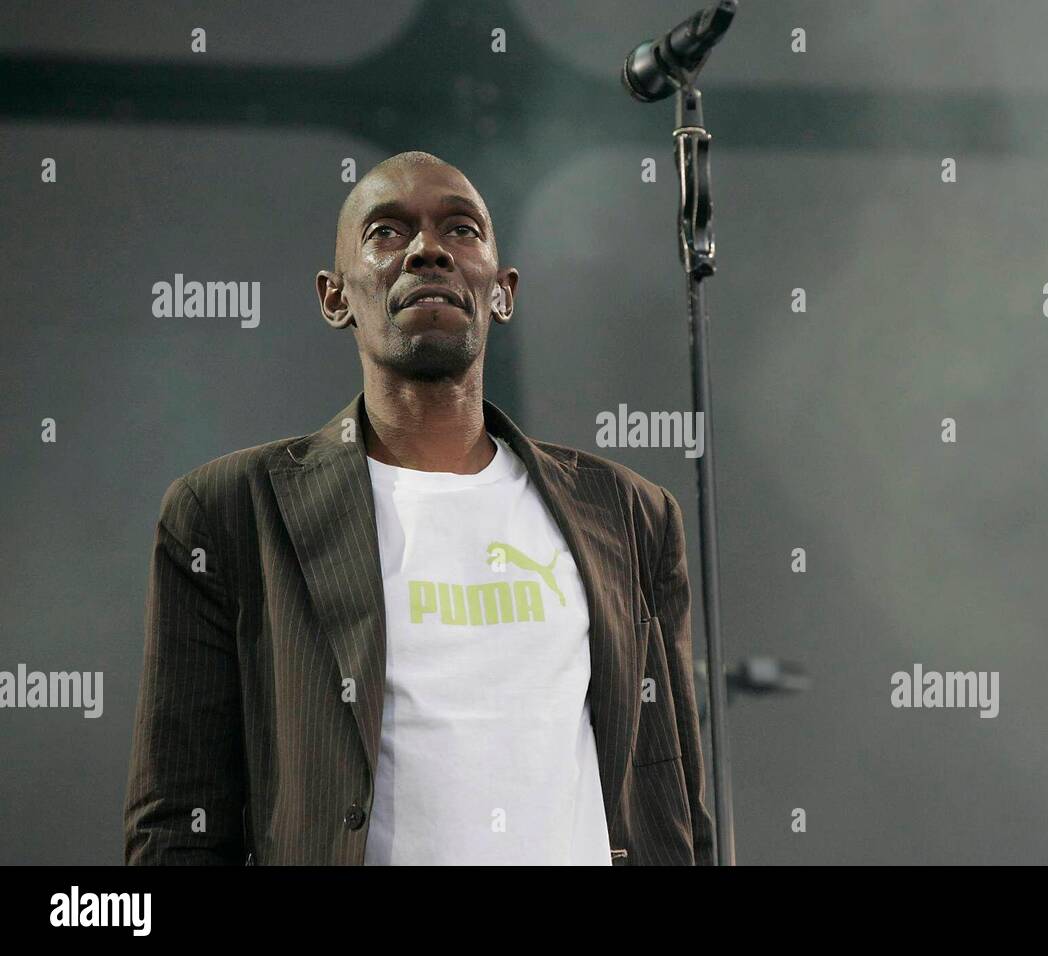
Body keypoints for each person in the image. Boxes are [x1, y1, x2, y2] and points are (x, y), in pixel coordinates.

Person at [124, 151, 713, 866]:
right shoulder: (227, 513)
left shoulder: (630, 515)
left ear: (502, 290)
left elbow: (670, 801)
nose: (429, 250)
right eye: (387, 232)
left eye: (461, 230)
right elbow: (179, 827)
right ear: (334, 296)